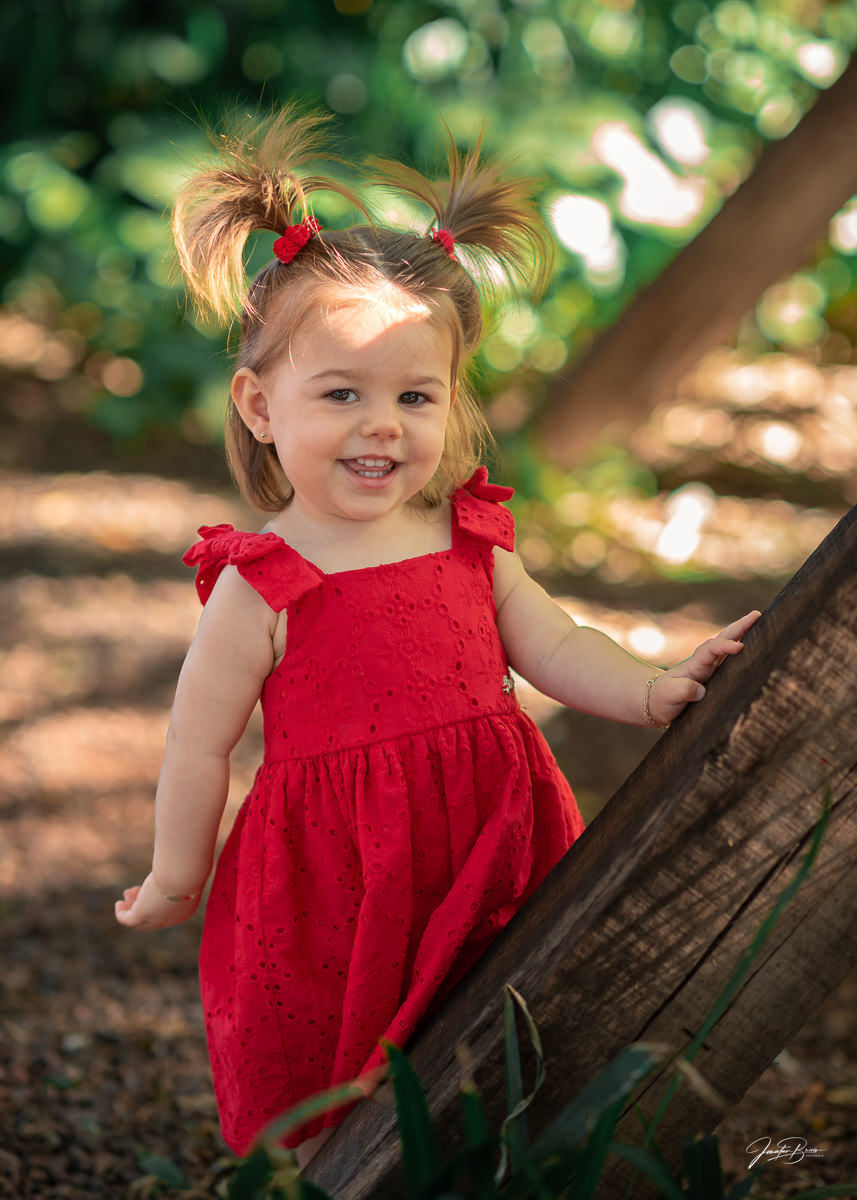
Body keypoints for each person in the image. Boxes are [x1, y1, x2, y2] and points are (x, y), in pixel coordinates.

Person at [114, 109, 759, 1169]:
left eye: (415, 396)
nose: (384, 424)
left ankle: (503, 1161)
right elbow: (198, 744)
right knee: (343, 1062)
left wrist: (647, 689)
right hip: (340, 875)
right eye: (342, 394)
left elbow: (553, 644)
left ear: (451, 401)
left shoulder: (465, 538)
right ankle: (343, 1174)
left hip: (486, 832)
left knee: (503, 1021)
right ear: (260, 405)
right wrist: (177, 875)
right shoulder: (262, 585)